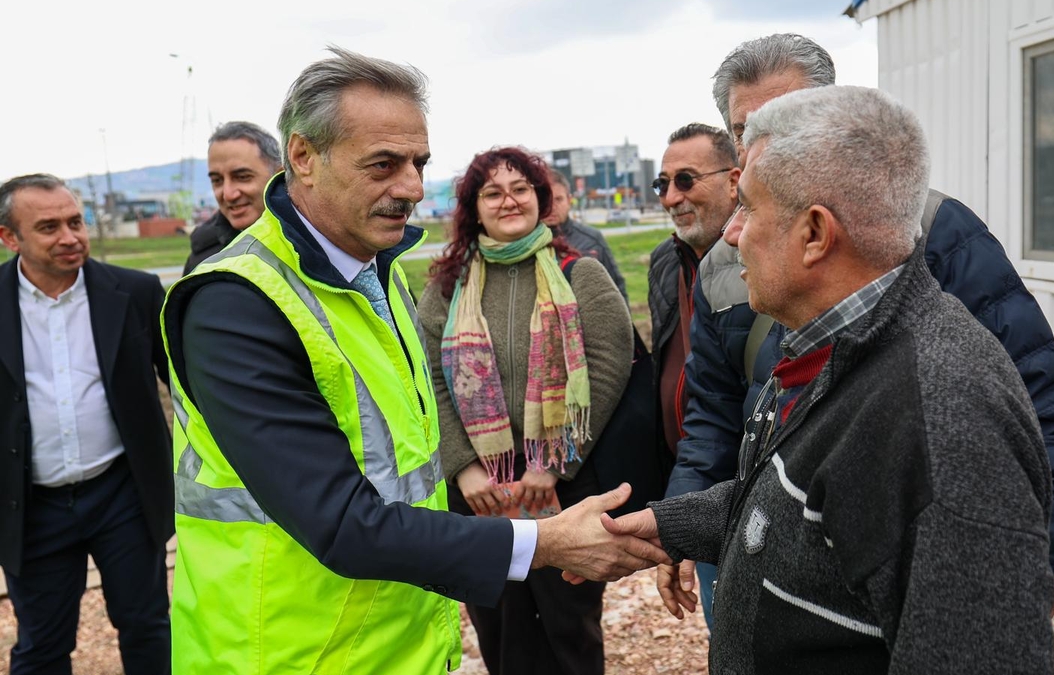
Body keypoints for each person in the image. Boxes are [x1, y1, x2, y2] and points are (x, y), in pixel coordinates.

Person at [160, 48, 668, 675]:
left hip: (396, 636)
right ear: (302, 158)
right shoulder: (237, 305)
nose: (411, 188)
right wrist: (539, 539)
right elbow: (343, 523)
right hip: (288, 651)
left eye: (419, 163)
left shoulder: (378, 277)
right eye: (383, 165)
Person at [610, 85, 1054, 674]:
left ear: (816, 234)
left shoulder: (942, 422)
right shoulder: (831, 344)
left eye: (747, 206)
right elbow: (807, 507)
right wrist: (671, 524)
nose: (731, 233)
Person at [670, 33, 1054, 619]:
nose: (774, 140)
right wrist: (680, 522)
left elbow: (1035, 392)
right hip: (753, 529)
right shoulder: (724, 260)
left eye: (797, 113)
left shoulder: (936, 231)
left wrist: (1045, 550)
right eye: (751, 127)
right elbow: (713, 413)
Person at [419, 146, 632, 675]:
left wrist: (553, 464)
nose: (508, 200)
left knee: (571, 628)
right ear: (473, 208)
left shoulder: (580, 274)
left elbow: (607, 370)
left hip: (562, 487)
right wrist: (463, 468)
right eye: (492, 192)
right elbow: (428, 377)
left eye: (520, 189)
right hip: (482, 494)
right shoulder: (448, 286)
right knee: (500, 628)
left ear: (541, 199)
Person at [0, 174, 173, 674]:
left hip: (122, 495)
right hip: (33, 507)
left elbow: (183, 385)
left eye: (75, 222)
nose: (71, 236)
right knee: (41, 646)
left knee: (147, 627)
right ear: (10, 239)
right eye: (49, 227)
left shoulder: (136, 292)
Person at [649, 123, 739, 467]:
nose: (671, 197)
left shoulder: (759, 259)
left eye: (685, 180)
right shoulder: (664, 261)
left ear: (733, 182)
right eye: (662, 184)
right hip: (679, 462)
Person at [182, 121, 282, 274]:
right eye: (217, 180)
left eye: (242, 177)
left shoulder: (315, 240)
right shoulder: (202, 255)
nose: (228, 195)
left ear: (278, 175)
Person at [543, 169, 627, 301]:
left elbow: (616, 288)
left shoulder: (592, 239)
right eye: (545, 199)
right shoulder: (525, 243)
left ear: (569, 200)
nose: (551, 206)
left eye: (558, 199)